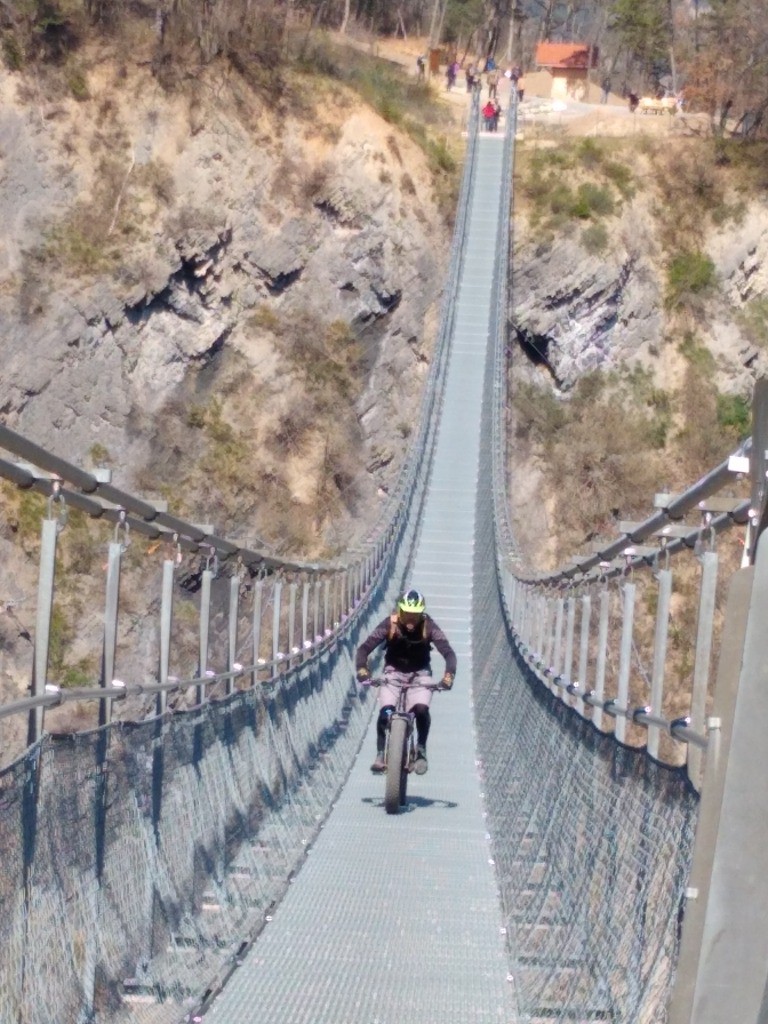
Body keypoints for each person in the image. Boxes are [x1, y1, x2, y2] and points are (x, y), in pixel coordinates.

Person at [355, 589, 456, 775]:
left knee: (421, 709)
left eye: (415, 616)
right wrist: (363, 670)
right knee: (386, 711)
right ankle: (380, 754)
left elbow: (448, 653)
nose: (410, 620)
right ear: (400, 611)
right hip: (393, 674)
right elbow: (364, 648)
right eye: (407, 614)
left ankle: (421, 750)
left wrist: (448, 676)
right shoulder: (390, 624)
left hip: (420, 675)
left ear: (422, 614)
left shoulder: (429, 626)